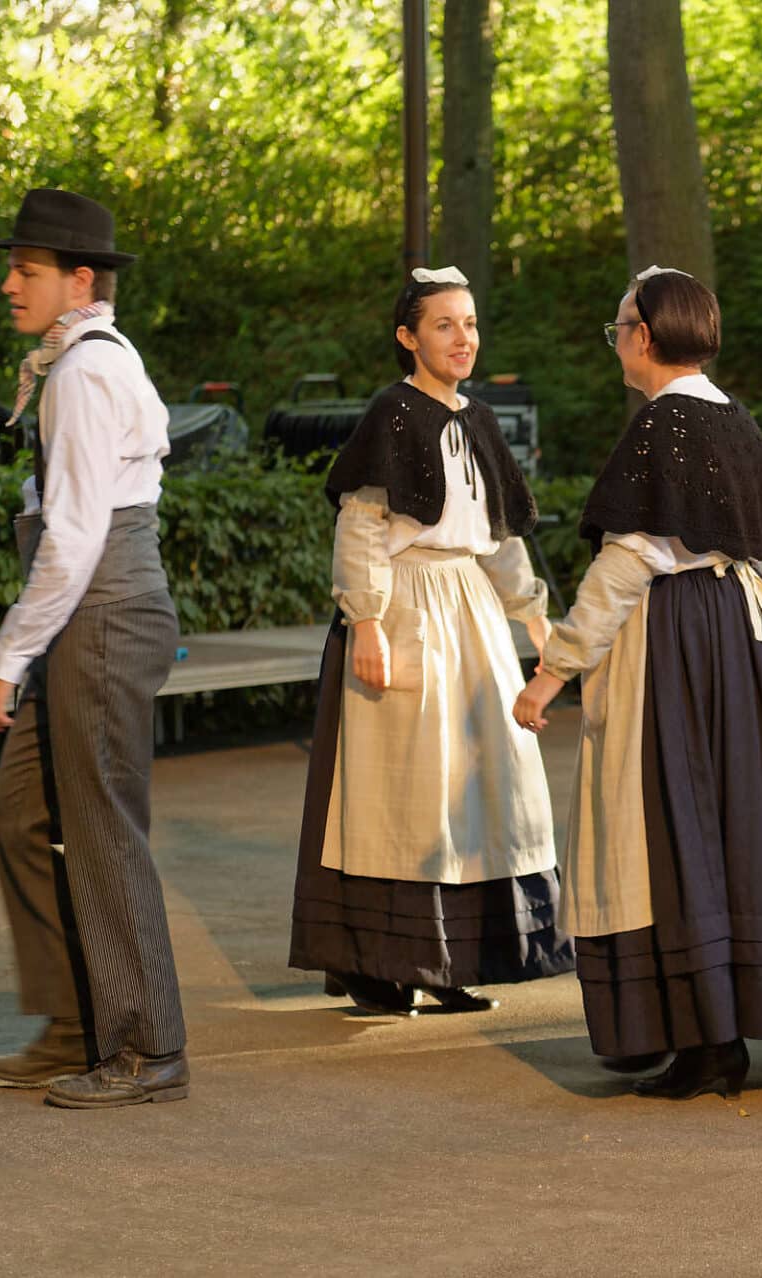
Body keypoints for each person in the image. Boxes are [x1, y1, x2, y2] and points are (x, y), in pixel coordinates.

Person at [512, 267, 762, 1100]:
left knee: (665, 824)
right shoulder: (732, 418)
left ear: (646, 334)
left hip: (674, 640)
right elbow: (760, 546)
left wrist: (554, 670)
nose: (618, 340)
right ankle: (710, 1031)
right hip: (741, 635)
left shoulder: (661, 425)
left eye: (620, 325)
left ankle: (700, 1037)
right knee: (730, 824)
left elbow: (628, 561)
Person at [289, 267, 573, 1016]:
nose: (463, 339)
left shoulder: (480, 422)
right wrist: (368, 621)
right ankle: (381, 963)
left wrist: (536, 622)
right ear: (408, 337)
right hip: (406, 605)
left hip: (472, 614)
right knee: (401, 792)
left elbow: (502, 539)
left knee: (477, 789)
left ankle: (454, 960)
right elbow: (361, 527)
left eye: (470, 324)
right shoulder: (391, 415)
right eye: (445, 325)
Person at [0, 188, 188, 1108]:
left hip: (100, 613)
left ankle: (146, 1049)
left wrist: (5, 660)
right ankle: (76, 1017)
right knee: (21, 814)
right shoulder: (77, 363)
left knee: (101, 831)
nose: (9, 283)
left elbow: (73, 536)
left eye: (28, 271)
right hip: (88, 610)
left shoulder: (87, 373)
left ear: (80, 280)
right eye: (12, 266)